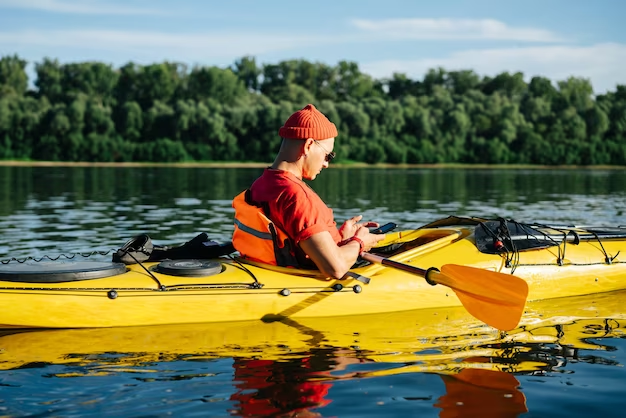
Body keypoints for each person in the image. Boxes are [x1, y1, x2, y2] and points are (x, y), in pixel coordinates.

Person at [232, 104, 384, 279]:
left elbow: (293, 242)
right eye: (328, 155)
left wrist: (340, 238)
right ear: (309, 145)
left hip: (264, 271)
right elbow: (335, 268)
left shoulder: (263, 183)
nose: (327, 164)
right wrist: (360, 242)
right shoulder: (296, 196)